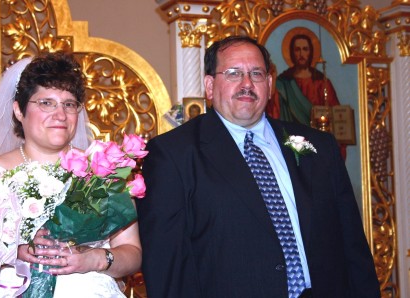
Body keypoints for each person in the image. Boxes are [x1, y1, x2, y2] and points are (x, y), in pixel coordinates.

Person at [136, 36, 380, 297]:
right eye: (233, 73)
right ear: (209, 86)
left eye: (256, 73)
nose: (247, 84)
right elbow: (168, 265)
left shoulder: (320, 147)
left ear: (270, 84)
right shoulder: (173, 154)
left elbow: (353, 248)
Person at [0, 52, 141, 297]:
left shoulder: (102, 171)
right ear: (19, 110)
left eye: (69, 104)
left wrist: (94, 259)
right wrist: (11, 254)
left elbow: (132, 253)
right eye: (46, 103)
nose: (60, 114)